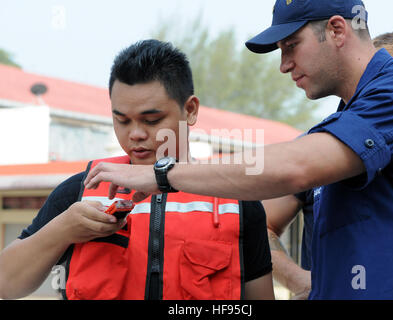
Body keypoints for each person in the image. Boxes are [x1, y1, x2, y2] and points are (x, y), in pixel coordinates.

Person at [81, 0, 393, 299]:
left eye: (291, 45)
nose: (283, 64)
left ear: (336, 30)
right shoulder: (344, 122)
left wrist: (161, 174)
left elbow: (292, 168)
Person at [0, 40, 274, 300]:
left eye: (151, 120)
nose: (136, 134)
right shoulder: (83, 189)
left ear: (190, 110)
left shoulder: (236, 202)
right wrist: (62, 230)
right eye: (122, 120)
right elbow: (7, 283)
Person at [263, 30, 393, 300]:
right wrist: (299, 280)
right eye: (378, 85)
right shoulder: (314, 150)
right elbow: (261, 225)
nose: (386, 99)